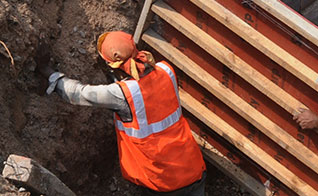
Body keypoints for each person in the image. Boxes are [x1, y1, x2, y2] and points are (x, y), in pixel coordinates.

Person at [45, 31, 206, 196]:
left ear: (112, 65)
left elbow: (78, 94)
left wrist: (50, 73)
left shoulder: (124, 94)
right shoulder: (166, 70)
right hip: (192, 166)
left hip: (163, 181)